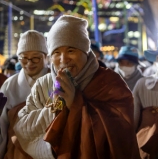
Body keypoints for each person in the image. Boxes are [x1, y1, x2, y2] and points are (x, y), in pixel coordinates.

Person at [14, 15, 140, 158]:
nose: (63, 59)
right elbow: (22, 128)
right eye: (56, 52)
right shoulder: (43, 85)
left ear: (85, 51)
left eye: (71, 51)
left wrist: (75, 103)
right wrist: (55, 110)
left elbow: (120, 136)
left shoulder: (110, 83)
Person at [0, 30, 50, 159]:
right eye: (24, 58)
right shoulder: (10, 85)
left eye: (36, 57)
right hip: (17, 151)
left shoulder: (56, 82)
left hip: (49, 149)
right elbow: (1, 128)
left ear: (46, 57)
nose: (29, 63)